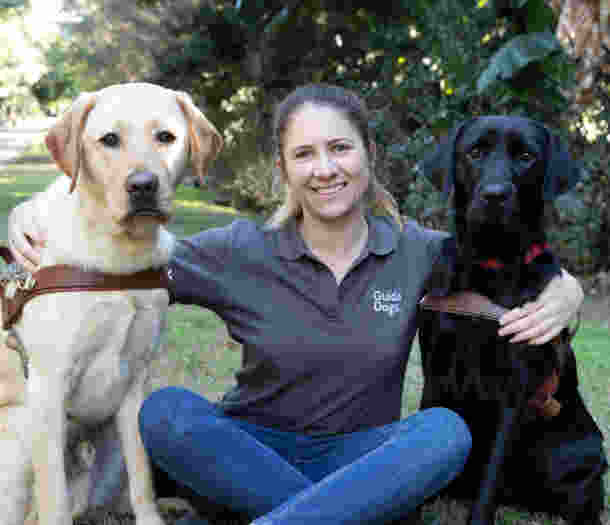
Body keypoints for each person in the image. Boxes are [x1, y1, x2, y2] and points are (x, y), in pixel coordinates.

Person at [7, 84, 584, 525]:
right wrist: (28, 219)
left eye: (339, 148)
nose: (325, 168)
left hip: (361, 457)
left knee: (443, 433)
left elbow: (516, 270)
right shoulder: (237, 249)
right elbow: (99, 273)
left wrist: (567, 290)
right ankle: (343, 514)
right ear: (283, 169)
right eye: (304, 154)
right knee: (166, 413)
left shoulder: (417, 251)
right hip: (249, 449)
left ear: (367, 155)